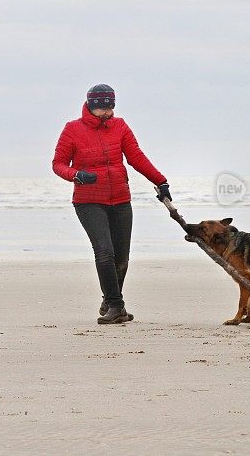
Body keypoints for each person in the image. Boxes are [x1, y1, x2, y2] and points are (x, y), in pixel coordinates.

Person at [52, 84, 172, 324]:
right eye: (103, 108)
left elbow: (136, 157)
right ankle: (117, 306)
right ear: (91, 106)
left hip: (120, 199)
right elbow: (58, 163)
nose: (107, 112)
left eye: (111, 107)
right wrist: (76, 174)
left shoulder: (120, 126)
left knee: (122, 258)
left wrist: (161, 181)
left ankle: (110, 298)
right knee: (104, 252)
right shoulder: (72, 129)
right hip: (88, 201)